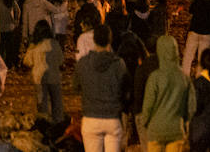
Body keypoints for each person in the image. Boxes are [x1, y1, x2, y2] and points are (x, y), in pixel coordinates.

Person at [75, 23, 129, 152]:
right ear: (110, 40)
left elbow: (76, 87)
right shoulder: (118, 64)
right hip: (112, 118)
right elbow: (126, 88)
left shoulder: (83, 64)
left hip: (91, 117)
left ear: (94, 40)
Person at [139, 33, 193, 152]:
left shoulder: (155, 77)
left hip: (156, 129)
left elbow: (148, 105)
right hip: (176, 130)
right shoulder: (184, 78)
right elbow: (191, 107)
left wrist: (145, 122)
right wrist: (185, 123)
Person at [23, 20, 65, 127]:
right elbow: (61, 60)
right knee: (57, 102)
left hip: (39, 78)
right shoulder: (55, 44)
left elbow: (27, 61)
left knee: (42, 104)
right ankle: (58, 124)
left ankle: (45, 125)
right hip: (54, 77)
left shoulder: (34, 46)